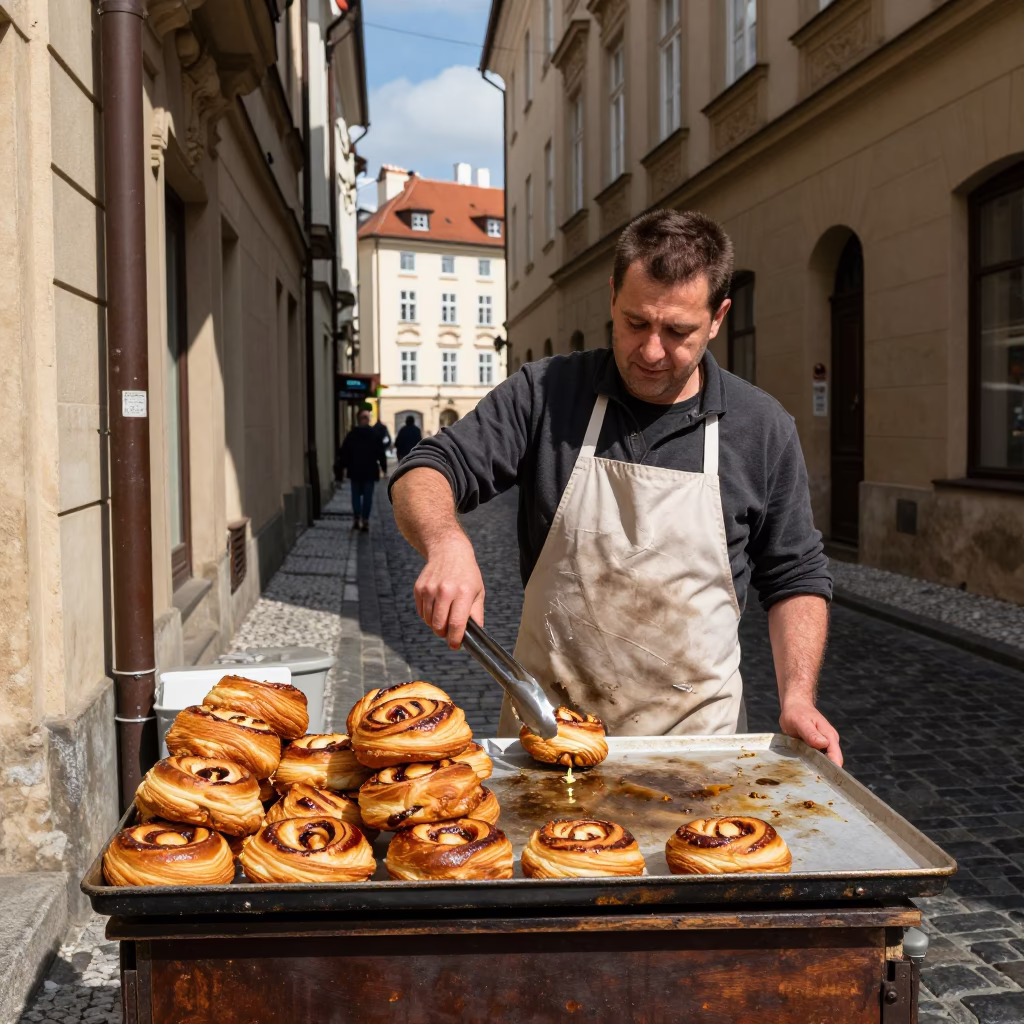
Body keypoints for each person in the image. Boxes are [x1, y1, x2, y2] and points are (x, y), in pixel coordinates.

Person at [389, 210, 843, 765]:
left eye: (678, 332)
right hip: (550, 738)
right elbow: (428, 466)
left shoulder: (761, 427)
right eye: (635, 323)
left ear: (718, 317)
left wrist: (798, 697)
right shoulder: (546, 393)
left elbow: (794, 574)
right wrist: (445, 542)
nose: (651, 351)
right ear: (612, 298)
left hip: (701, 749)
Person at [337, 410, 387, 531]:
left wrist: (342, 467)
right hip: (369, 470)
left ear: (358, 420)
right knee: (368, 496)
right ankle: (365, 520)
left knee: (355, 495)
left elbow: (344, 452)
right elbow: (381, 453)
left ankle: (357, 517)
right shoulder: (374, 434)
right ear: (367, 419)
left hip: (355, 469)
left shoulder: (352, 434)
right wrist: (383, 467)